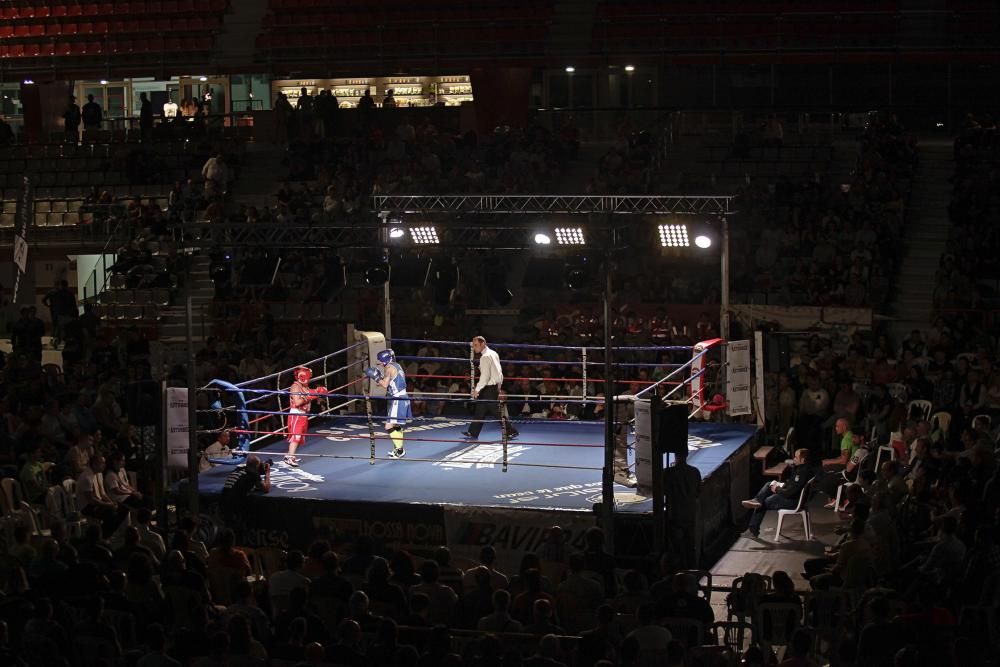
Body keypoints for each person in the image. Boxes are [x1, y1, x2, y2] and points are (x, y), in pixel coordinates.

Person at [741, 448, 815, 538]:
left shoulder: (802, 473)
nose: (794, 459)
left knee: (764, 502)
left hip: (793, 502)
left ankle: (753, 530)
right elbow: (792, 485)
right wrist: (781, 485)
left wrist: (777, 489)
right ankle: (756, 500)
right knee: (769, 484)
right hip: (794, 497)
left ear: (802, 460)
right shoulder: (804, 469)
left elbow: (789, 493)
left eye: (796, 457)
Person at [463, 336, 518, 441]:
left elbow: (485, 376)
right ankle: (473, 432)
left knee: (496, 412)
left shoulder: (485, 357)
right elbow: (499, 371)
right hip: (491, 387)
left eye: (476, 345)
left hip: (488, 388)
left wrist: (477, 390)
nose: (474, 348)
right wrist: (499, 385)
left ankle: (512, 431)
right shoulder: (493, 353)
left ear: (483, 344)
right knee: (480, 410)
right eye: (473, 345)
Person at [366, 349, 412, 458]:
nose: (381, 363)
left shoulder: (388, 368)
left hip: (398, 399)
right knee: (396, 424)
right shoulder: (397, 365)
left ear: (385, 360)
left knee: (388, 426)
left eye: (382, 361)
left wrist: (376, 377)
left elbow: (385, 384)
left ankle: (400, 450)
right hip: (403, 396)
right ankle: (399, 449)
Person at [663, 448, 702, 569]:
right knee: (690, 545)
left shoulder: (668, 473)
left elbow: (663, 490)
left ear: (675, 456)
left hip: (675, 513)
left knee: (676, 547)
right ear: (687, 455)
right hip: (689, 512)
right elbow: (698, 492)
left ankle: (678, 570)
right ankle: (692, 570)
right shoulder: (694, 471)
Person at [285, 367, 327, 466]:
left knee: (300, 438)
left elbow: (312, 394)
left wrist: (318, 391)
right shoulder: (295, 386)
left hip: (304, 415)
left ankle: (289, 455)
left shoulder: (306, 387)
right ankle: (290, 458)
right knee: (296, 437)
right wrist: (311, 396)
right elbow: (297, 401)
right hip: (296, 414)